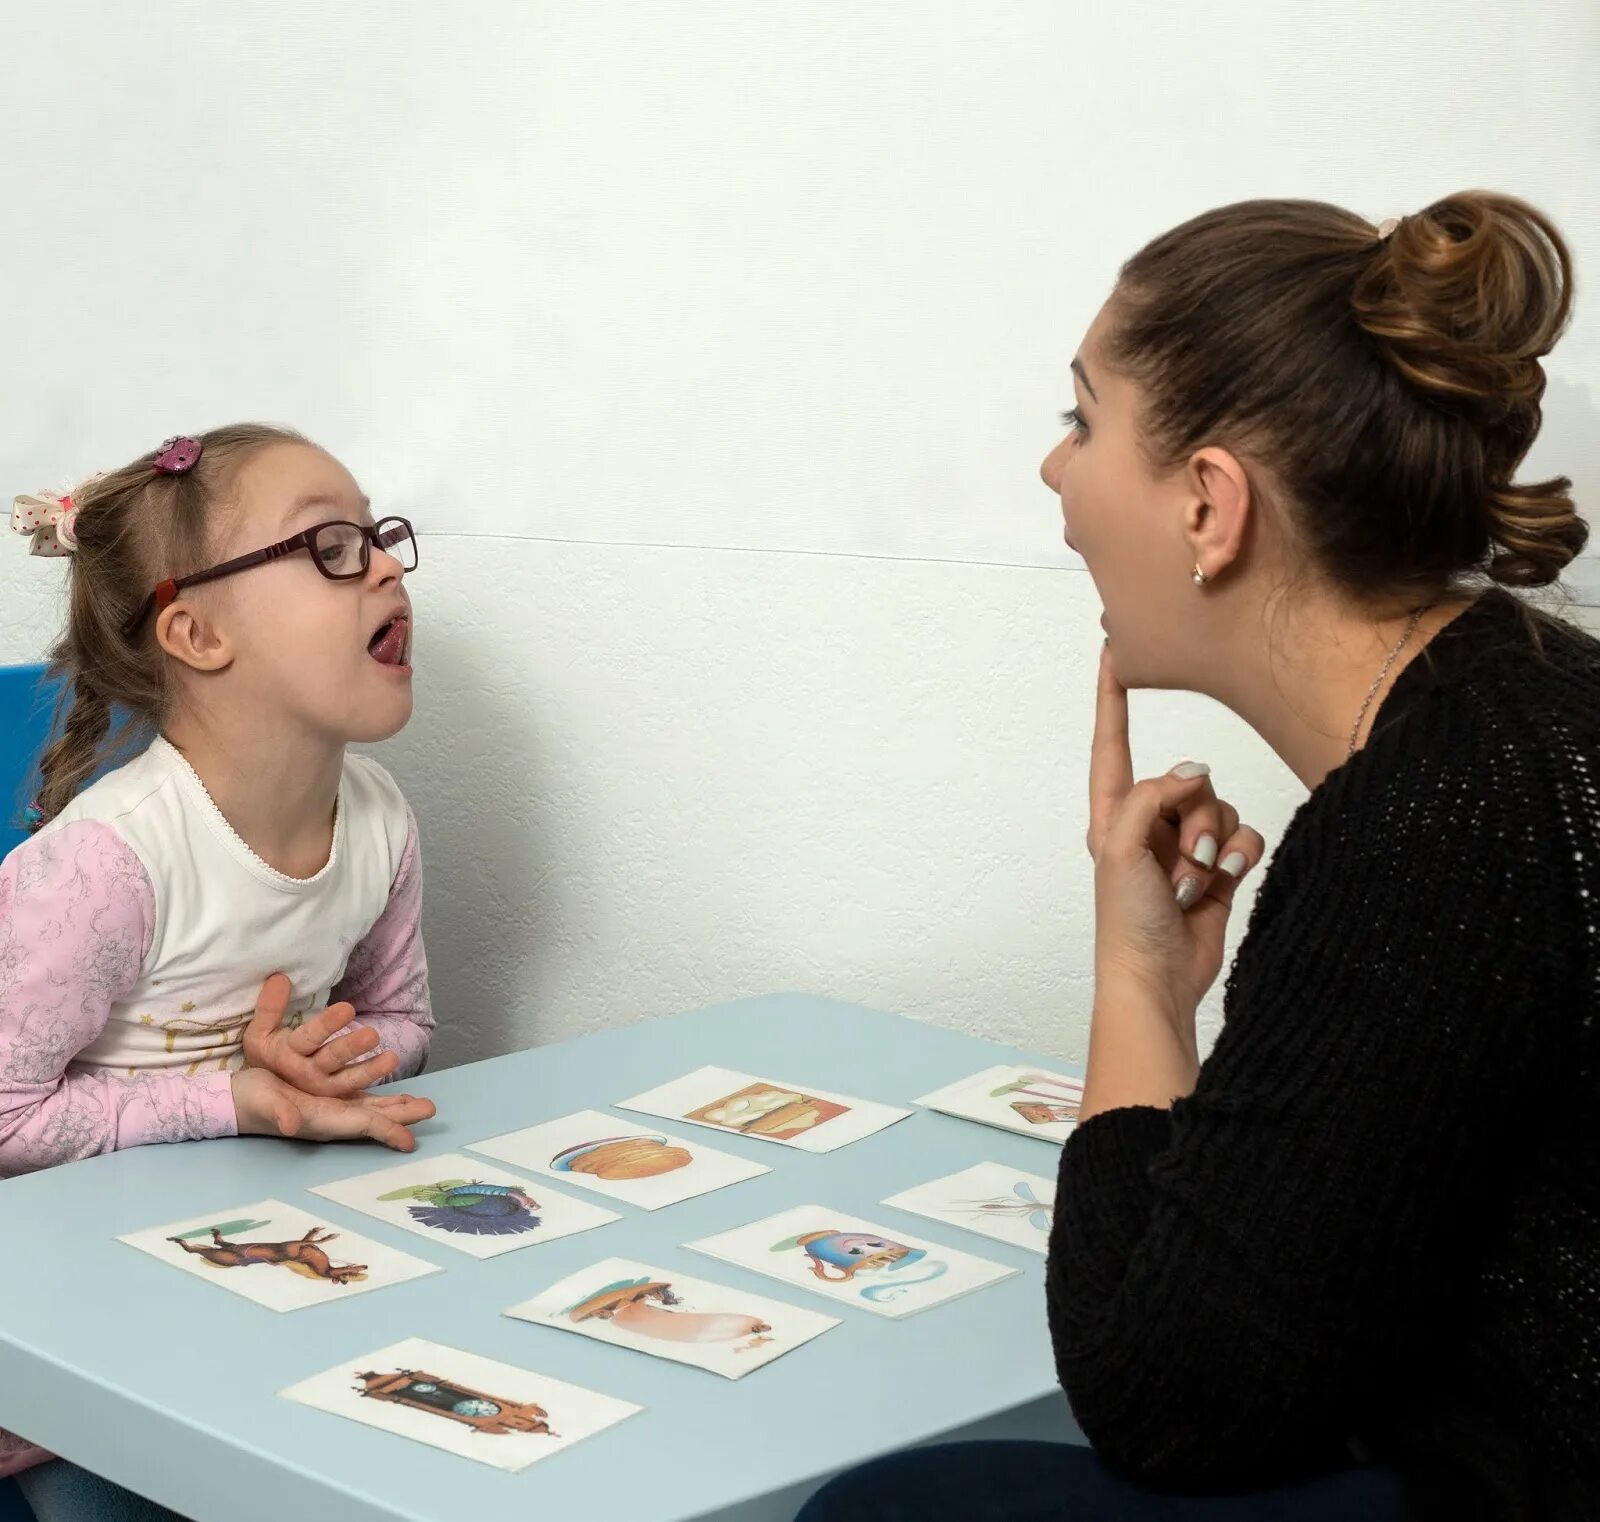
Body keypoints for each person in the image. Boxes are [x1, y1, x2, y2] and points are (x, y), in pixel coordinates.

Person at [798, 192, 1599, 1520]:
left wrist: (1137, 982)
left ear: (1211, 508)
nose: (1056, 474)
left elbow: (1165, 1399)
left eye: (1081, 421)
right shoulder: (1535, 707)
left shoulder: (1425, 828)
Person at [0, 425, 437, 1521]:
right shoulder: (111, 861)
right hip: (60, 1306)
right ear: (194, 630)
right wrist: (232, 1097)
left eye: (380, 536)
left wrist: (329, 1064)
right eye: (331, 546)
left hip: (240, 1267)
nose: (385, 563)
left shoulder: (379, 819)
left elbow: (405, 1018)